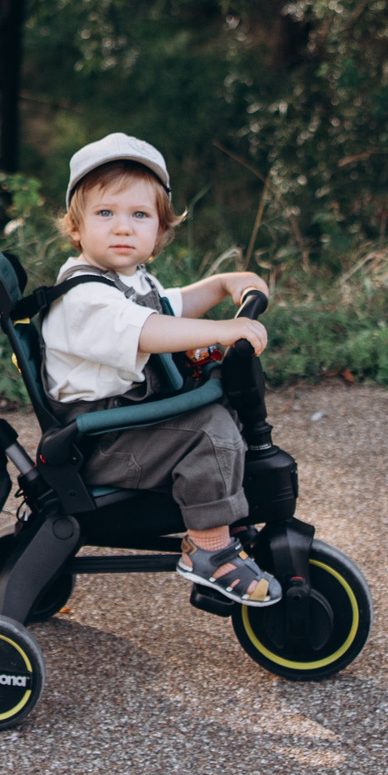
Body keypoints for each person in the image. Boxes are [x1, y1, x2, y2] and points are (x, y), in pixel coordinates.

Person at [39, 133, 283, 605]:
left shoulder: (129, 280)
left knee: (224, 411)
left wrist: (221, 284)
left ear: (159, 230)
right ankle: (209, 552)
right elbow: (150, 330)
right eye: (105, 214)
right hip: (97, 438)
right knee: (208, 433)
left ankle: (221, 519)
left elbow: (172, 305)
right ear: (76, 227)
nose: (123, 228)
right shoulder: (83, 295)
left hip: (123, 423)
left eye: (139, 215)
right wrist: (222, 331)